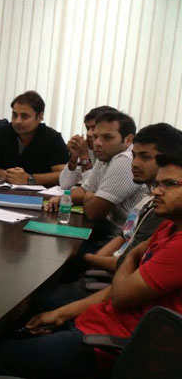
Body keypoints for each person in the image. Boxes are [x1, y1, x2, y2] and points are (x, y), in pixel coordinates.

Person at [0, 147, 182, 379]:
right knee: (11, 332)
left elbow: (121, 296)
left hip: (109, 347)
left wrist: (131, 256)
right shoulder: (169, 226)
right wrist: (62, 313)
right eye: (158, 184)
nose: (157, 191)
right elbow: (118, 289)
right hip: (96, 324)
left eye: (170, 184)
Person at [38, 124, 181, 310]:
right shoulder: (149, 198)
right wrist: (93, 259)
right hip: (111, 272)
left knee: (41, 296)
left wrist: (85, 258)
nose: (134, 163)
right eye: (134, 156)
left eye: (145, 157)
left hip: (116, 288)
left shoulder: (164, 212)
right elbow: (124, 236)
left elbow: (127, 274)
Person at [45, 111, 144, 237]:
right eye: (96, 137)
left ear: (128, 140)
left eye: (107, 137)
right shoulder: (106, 155)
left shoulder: (125, 159)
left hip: (120, 238)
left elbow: (94, 212)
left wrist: (89, 196)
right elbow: (85, 190)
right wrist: (63, 199)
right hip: (107, 231)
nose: (97, 143)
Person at [0, 90, 68, 186]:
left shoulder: (53, 139)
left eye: (25, 116)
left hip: (40, 193)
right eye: (15, 115)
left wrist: (30, 179)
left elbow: (63, 175)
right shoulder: (2, 132)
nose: (18, 121)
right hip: (4, 190)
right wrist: (5, 175)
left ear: (40, 117)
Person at [59, 105, 118, 189]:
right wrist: (73, 159)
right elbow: (64, 185)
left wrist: (84, 158)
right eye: (87, 128)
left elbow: (94, 189)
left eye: (94, 128)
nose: (89, 133)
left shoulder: (116, 154)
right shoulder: (88, 149)